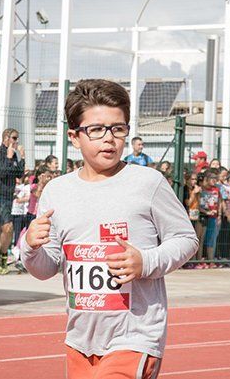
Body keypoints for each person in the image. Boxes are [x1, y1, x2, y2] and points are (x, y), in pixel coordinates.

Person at [21, 79, 198, 379]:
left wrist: (146, 262)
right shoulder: (57, 191)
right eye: (97, 130)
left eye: (118, 129)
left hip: (135, 335)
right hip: (80, 339)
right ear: (74, 137)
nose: (109, 139)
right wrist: (30, 246)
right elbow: (46, 267)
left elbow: (185, 239)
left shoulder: (147, 183)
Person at [0, 128, 26, 275]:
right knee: (8, 227)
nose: (16, 141)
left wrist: (21, 158)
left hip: (7, 196)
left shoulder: (13, 154)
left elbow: (19, 174)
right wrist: (10, 158)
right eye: (14, 138)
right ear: (6, 138)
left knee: (0, 229)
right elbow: (1, 173)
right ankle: (2, 259)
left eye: (17, 139)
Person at [198, 169, 222, 267]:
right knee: (201, 239)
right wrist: (206, 211)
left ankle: (211, 260)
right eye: (212, 178)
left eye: (215, 178)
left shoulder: (216, 189)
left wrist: (219, 215)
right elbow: (197, 204)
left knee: (211, 239)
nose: (214, 180)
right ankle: (199, 260)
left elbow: (220, 203)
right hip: (202, 216)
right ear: (207, 178)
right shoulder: (201, 189)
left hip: (213, 217)